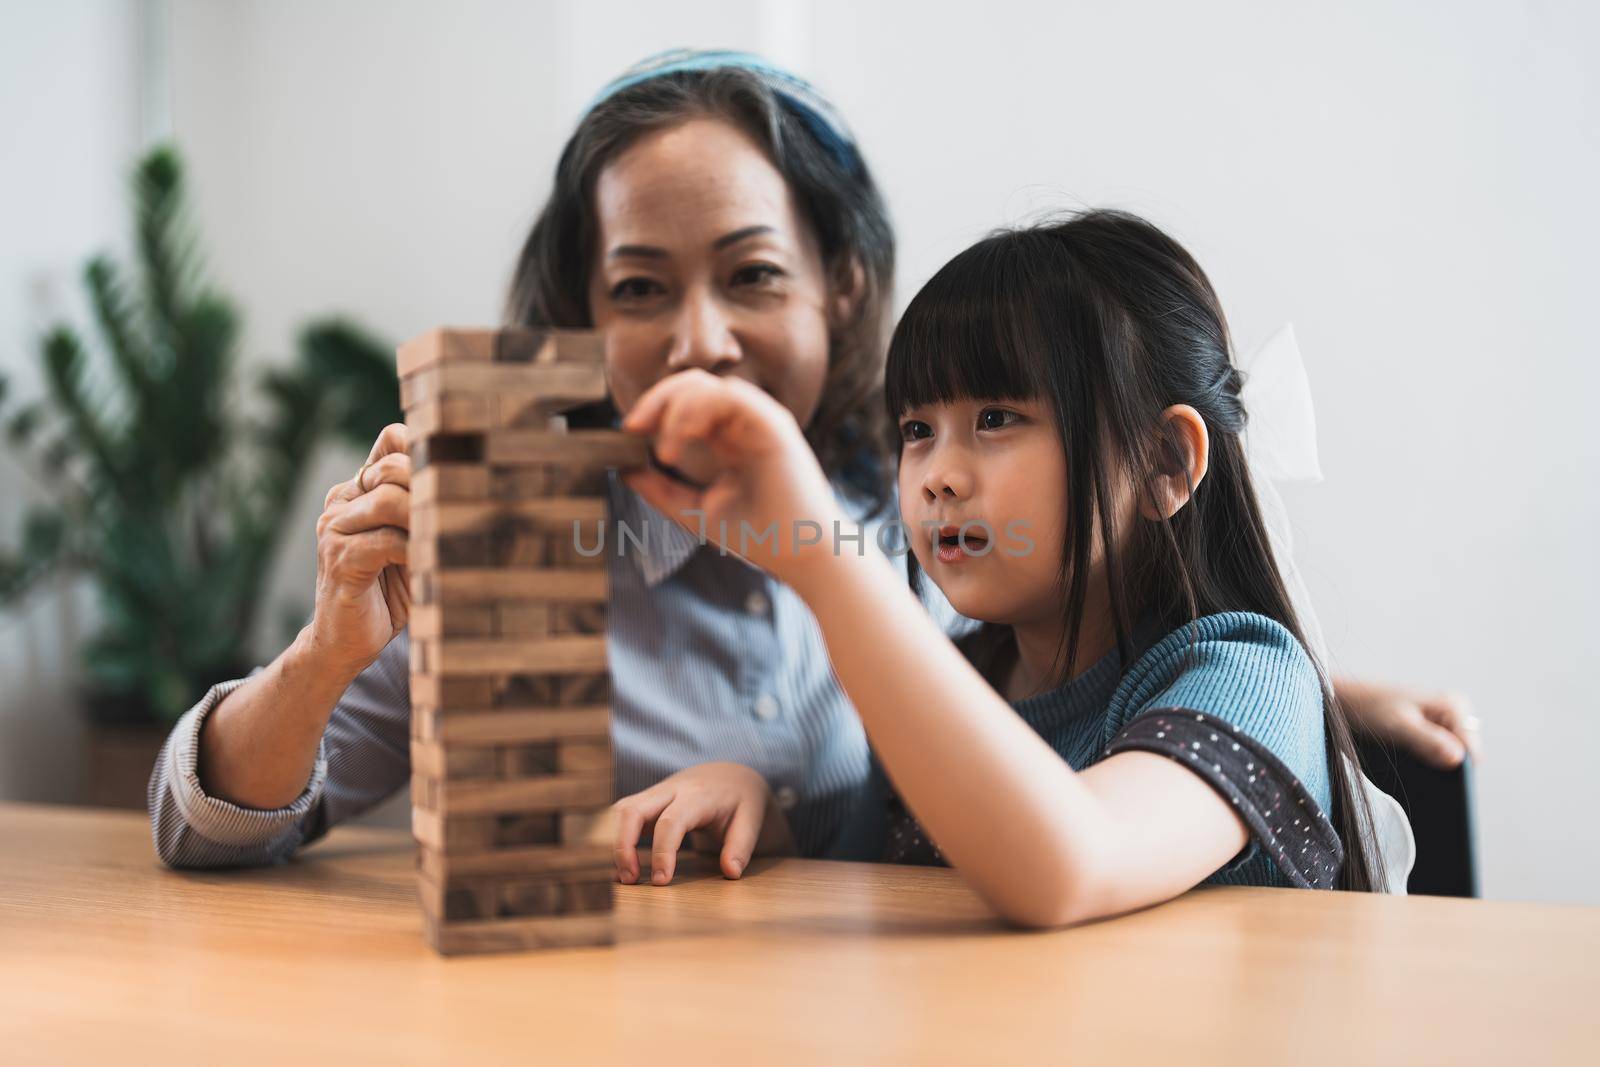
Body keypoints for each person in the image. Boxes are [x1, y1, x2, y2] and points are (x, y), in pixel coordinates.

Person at [147, 50, 1476, 873]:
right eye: (638, 287)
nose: (698, 340)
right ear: (576, 319)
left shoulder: (931, 534)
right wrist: (321, 660)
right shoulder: (506, 542)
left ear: (841, 287)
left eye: (752, 275)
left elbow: (1102, 660)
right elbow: (213, 825)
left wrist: (1308, 686)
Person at [614, 211, 1381, 924]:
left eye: (996, 419)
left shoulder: (1247, 678)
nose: (936, 476)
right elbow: (874, 881)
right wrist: (758, 814)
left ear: (1165, 465)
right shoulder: (965, 680)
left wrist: (821, 556)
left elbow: (1069, 864)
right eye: (917, 428)